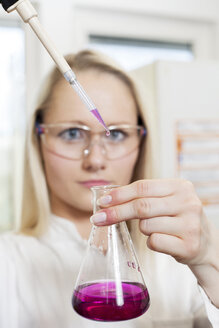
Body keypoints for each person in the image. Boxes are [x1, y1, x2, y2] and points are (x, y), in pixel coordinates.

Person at [0, 50, 218, 328]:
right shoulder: (7, 264)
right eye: (72, 133)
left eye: (115, 134)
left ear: (141, 143)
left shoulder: (179, 262)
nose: (95, 160)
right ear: (39, 139)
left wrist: (211, 259)